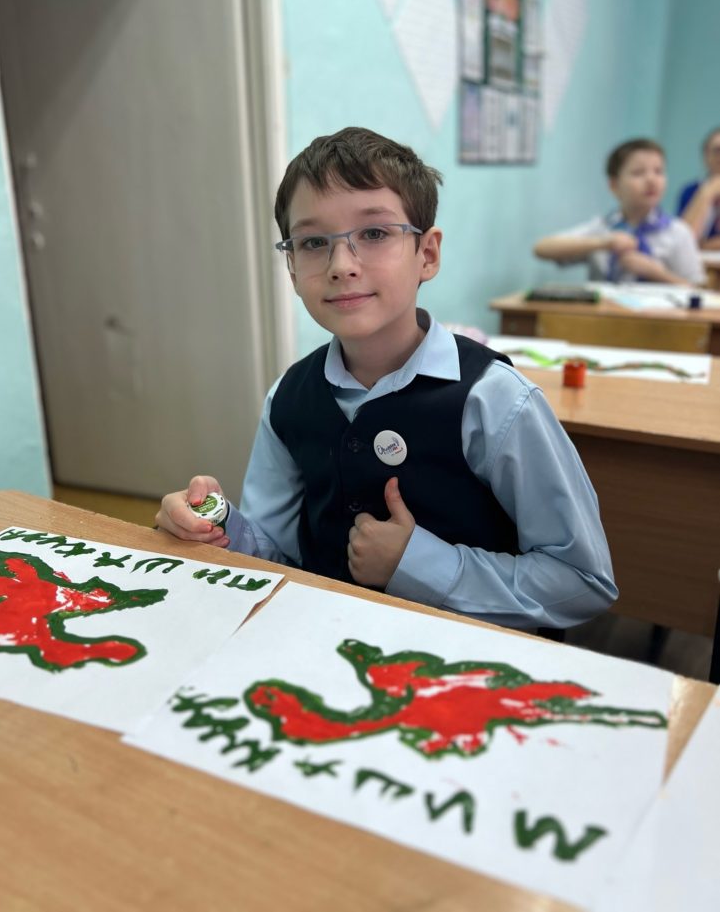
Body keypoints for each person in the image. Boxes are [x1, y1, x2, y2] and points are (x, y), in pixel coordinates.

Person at [157, 127, 616, 630]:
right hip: (322, 644)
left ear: (428, 254)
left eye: (374, 234)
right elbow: (277, 557)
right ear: (291, 268)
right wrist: (216, 527)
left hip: (463, 658)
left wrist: (418, 564)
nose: (341, 266)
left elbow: (582, 581)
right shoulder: (287, 398)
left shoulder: (497, 401)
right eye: (313, 242)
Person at [533, 138, 703, 285]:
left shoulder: (677, 232)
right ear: (614, 185)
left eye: (658, 171)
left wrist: (656, 273)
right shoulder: (604, 228)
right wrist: (603, 244)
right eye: (638, 173)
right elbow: (541, 248)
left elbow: (696, 290)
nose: (651, 180)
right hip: (605, 312)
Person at [675, 126, 720, 249]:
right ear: (706, 155)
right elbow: (681, 241)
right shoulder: (690, 191)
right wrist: (707, 193)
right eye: (717, 150)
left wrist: (705, 245)